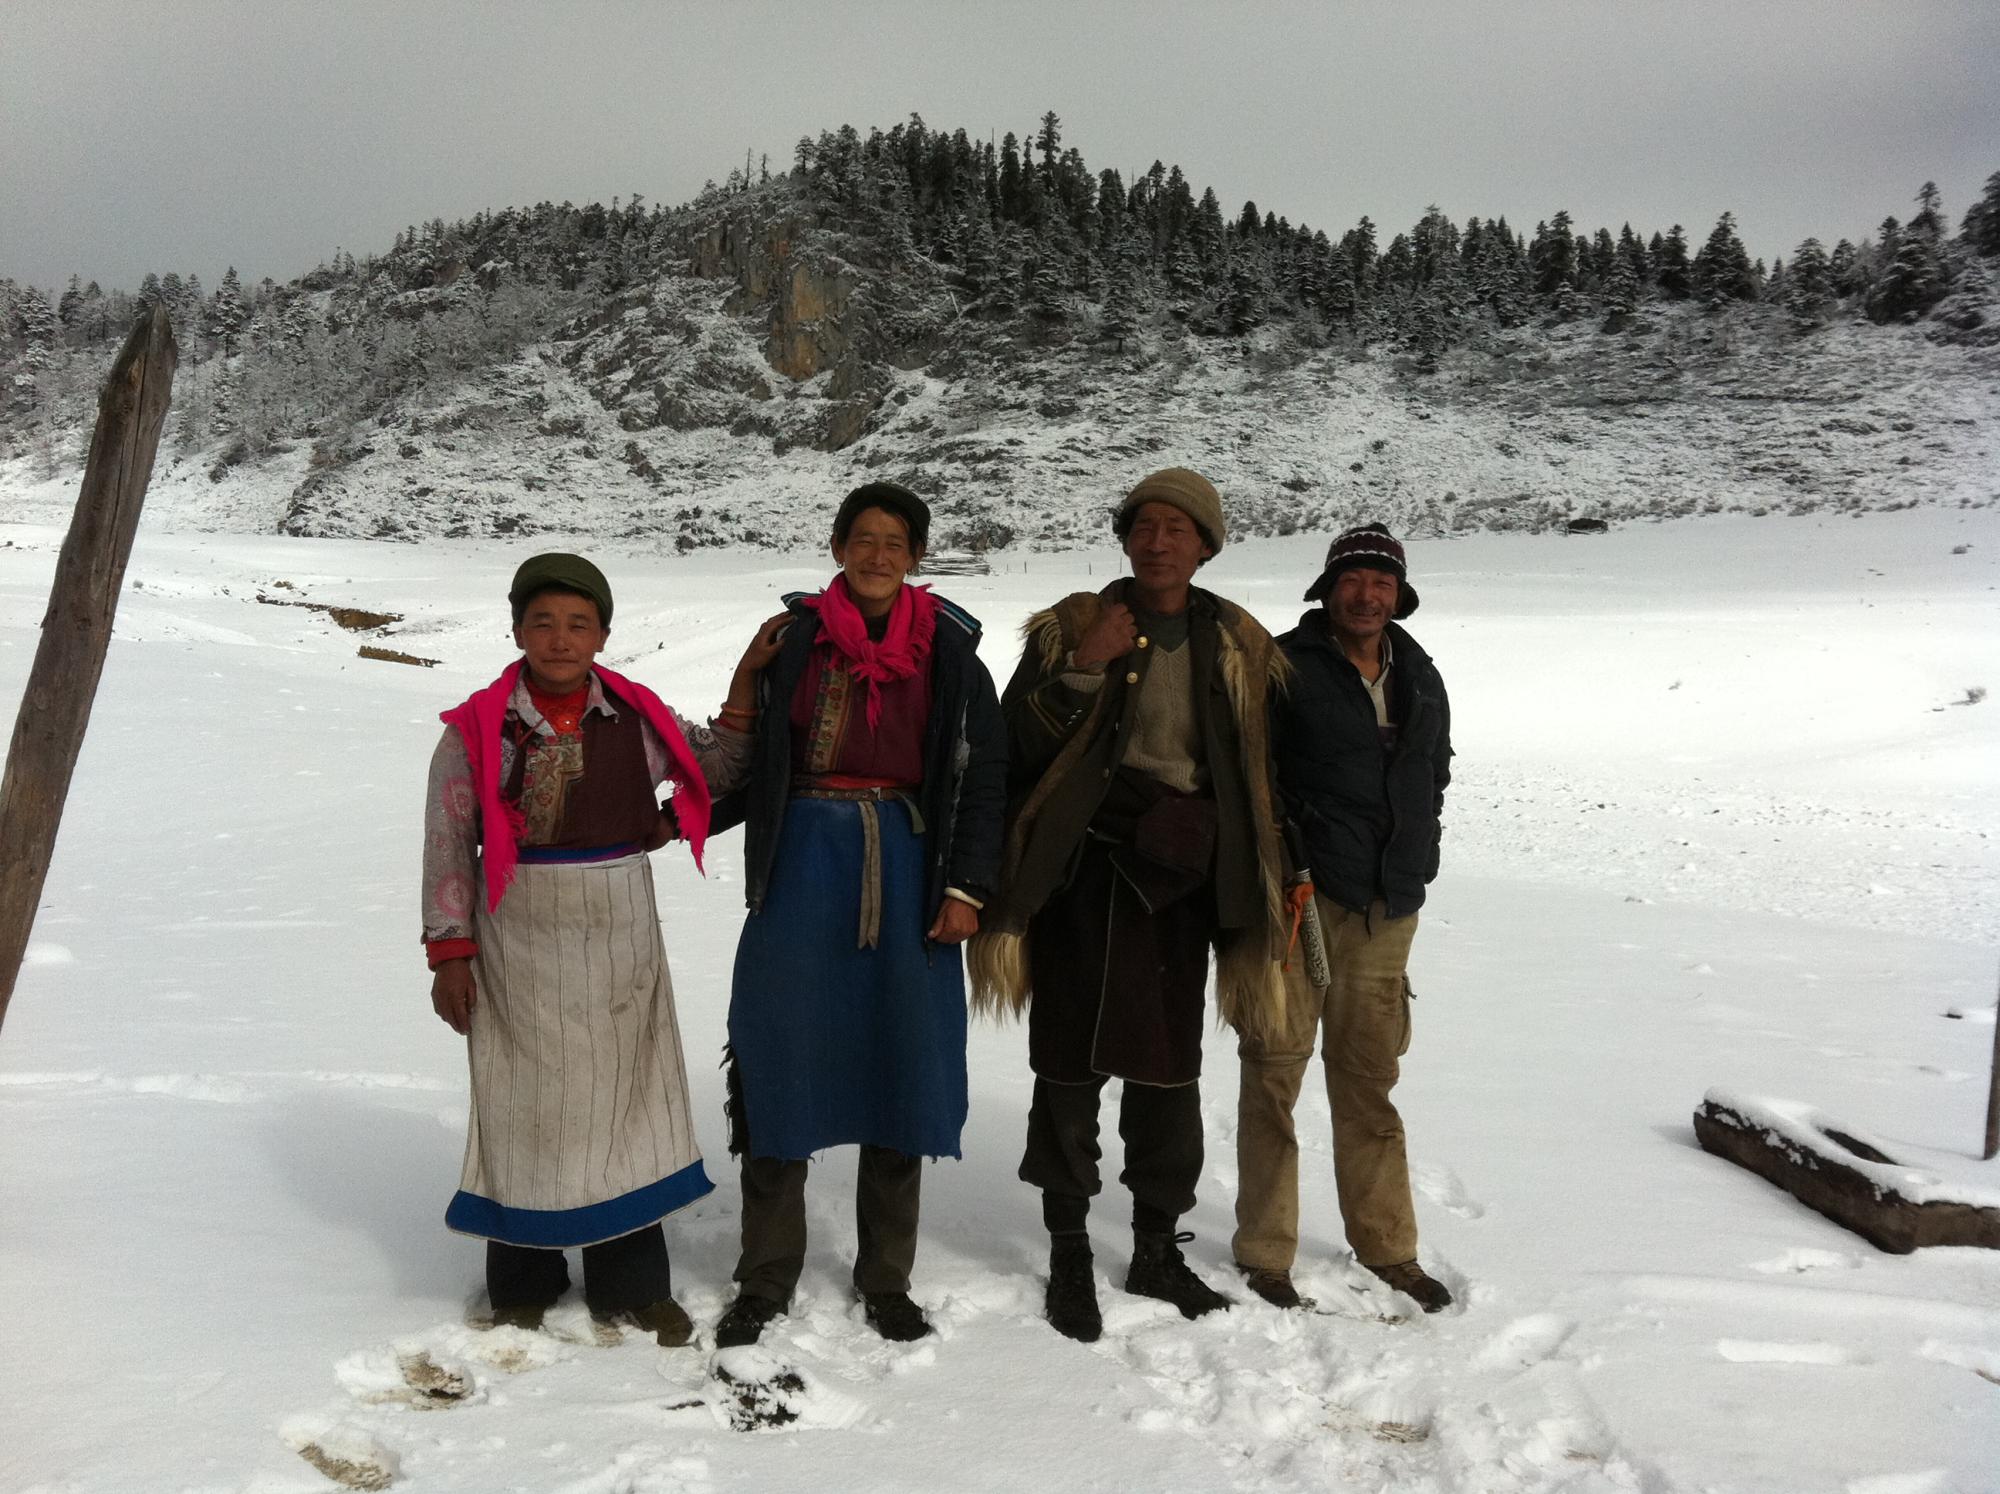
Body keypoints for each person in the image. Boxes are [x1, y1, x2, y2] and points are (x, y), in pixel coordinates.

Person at [970, 468, 1290, 1343]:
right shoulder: (1072, 626)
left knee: (1167, 1069)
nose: (1157, 542)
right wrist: (1083, 668)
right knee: (1067, 1065)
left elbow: (1266, 770)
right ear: (1125, 539)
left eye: (1177, 530)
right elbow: (1014, 744)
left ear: (1205, 545)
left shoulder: (1239, 643)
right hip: (1082, 872)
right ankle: (1069, 1247)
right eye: (1144, 526)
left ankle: (1155, 1246)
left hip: (1183, 881)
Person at [421, 552, 774, 1342]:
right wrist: (451, 954)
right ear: (516, 630)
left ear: (604, 634)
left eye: (578, 623)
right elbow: (448, 844)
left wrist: (747, 685)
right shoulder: (476, 731)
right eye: (542, 621)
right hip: (518, 934)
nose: (559, 638)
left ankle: (631, 1284)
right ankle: (524, 1280)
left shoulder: (637, 717)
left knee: (627, 1099)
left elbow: (711, 767)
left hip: (619, 928)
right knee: (526, 1105)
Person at [710, 481, 1006, 1348]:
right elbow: (747, 760)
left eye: (895, 542)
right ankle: (764, 1278)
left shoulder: (951, 650)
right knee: (777, 1060)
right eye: (862, 539)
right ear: (838, 547)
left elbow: (981, 777)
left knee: (901, 1066)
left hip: (910, 867)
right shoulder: (793, 642)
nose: (878, 556)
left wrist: (966, 889)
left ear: (915, 556)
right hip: (801, 864)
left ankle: (887, 1280)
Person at [1232, 523, 1456, 1314]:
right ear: (1327, 589)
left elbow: (1435, 771)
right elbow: (1251, 773)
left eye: (1382, 583)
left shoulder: (1420, 672)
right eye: (1353, 581)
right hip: (1298, 904)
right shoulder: (1284, 666)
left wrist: (1416, 857)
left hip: (1388, 908)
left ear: (1399, 596)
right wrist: (1281, 864)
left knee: (1370, 1083)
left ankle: (1389, 1247)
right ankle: (1265, 1252)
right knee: (1274, 1075)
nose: (1367, 595)